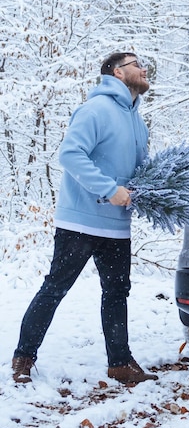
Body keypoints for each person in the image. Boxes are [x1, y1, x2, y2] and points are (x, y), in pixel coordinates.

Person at [12, 53, 158, 385]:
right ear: (118, 72)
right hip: (80, 222)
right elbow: (70, 154)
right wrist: (109, 189)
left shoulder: (138, 121)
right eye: (137, 64)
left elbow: (137, 170)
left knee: (117, 292)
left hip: (117, 225)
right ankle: (23, 357)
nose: (144, 68)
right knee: (54, 289)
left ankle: (120, 362)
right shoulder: (97, 110)